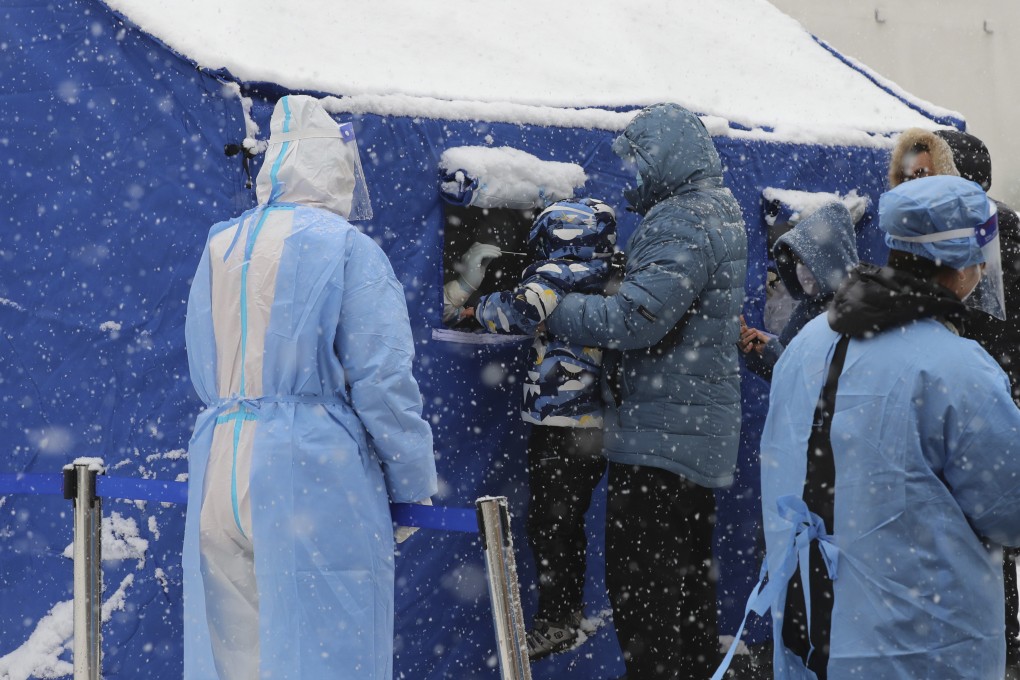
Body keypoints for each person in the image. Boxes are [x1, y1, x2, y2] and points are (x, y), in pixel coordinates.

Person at [182, 95, 438, 680]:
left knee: (234, 655)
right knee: (326, 650)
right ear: (336, 169)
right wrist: (411, 480)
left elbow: (204, 354)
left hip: (220, 456)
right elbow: (384, 378)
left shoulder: (221, 245)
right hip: (311, 469)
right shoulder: (348, 248)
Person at [759, 175, 1020, 679]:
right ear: (964, 261)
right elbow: (1011, 507)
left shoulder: (811, 340)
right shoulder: (956, 367)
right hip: (918, 647)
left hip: (811, 636)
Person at [545, 103, 748, 678]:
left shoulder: (681, 218)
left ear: (662, 157)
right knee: (687, 607)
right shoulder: (720, 208)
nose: (627, 177)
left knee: (647, 610)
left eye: (633, 161)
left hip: (661, 444)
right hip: (691, 438)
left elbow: (636, 320)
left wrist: (554, 308)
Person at [890, 126, 1020, 673]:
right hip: (953, 384)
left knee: (983, 532)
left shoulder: (991, 231)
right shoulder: (923, 229)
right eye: (912, 172)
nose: (917, 181)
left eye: (928, 171)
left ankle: (1002, 642)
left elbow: (997, 320)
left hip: (980, 385)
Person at [470, 197, 621, 660]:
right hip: (596, 423)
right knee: (567, 522)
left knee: (550, 523)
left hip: (562, 422)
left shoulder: (557, 274)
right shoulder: (612, 272)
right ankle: (569, 614)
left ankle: (559, 619)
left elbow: (517, 313)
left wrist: (478, 305)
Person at [739, 202, 859, 381]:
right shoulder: (809, 306)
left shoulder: (854, 311)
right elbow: (783, 375)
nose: (801, 270)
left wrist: (773, 351)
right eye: (797, 262)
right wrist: (755, 351)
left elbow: (818, 382)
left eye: (809, 261)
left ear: (832, 259)